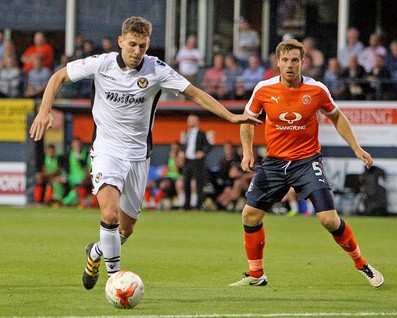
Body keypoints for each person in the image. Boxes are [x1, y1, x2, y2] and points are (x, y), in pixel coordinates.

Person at [29, 16, 261, 290]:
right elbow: (59, 76)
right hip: (106, 150)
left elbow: (195, 94)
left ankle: (96, 252)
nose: (137, 51)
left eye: (142, 45)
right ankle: (115, 280)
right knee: (109, 214)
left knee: (125, 229)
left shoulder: (156, 69)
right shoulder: (101, 63)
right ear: (120, 42)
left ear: (148, 44)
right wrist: (44, 111)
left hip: (138, 155)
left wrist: (231, 117)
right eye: (132, 45)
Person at [229, 39, 384, 288]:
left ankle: (361, 263)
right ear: (277, 63)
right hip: (274, 163)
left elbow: (337, 116)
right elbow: (247, 120)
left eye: (295, 60)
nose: (290, 65)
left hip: (306, 161)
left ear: (303, 62)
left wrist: (356, 148)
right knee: (250, 215)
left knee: (329, 220)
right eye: (285, 60)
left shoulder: (317, 90)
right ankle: (256, 274)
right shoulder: (263, 89)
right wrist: (247, 152)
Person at [181, 114, 212, 210]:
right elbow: (185, 146)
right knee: (186, 183)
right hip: (187, 161)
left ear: (197, 122)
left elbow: (209, 146)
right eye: (189, 120)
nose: (191, 122)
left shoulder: (201, 133)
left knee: (199, 183)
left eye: (193, 120)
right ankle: (186, 204)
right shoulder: (187, 133)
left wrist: (203, 152)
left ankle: (198, 205)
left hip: (197, 162)